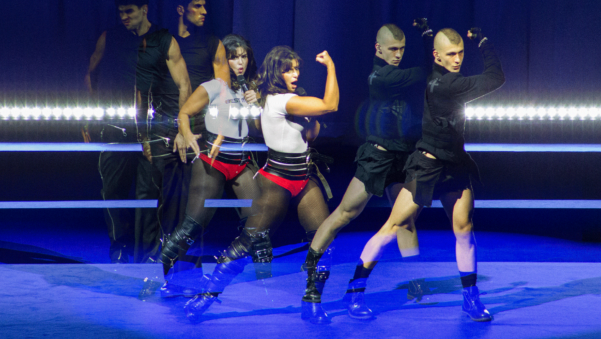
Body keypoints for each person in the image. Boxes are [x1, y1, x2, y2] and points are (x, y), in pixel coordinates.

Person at [339, 27, 505, 322]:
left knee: (464, 228)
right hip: (427, 167)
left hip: (454, 165)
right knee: (393, 226)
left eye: (461, 53)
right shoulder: (447, 85)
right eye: (451, 55)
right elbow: (496, 78)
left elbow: (436, 55)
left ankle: (471, 298)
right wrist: (483, 43)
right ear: (437, 57)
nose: (457, 60)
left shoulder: (438, 73)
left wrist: (427, 33)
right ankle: (354, 291)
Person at [183, 46, 339, 323]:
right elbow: (330, 105)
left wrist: (310, 118)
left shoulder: (290, 100)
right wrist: (330, 66)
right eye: (288, 69)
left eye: (297, 68)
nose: (295, 73)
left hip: (303, 176)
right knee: (249, 241)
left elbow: (311, 135)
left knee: (324, 241)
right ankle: (207, 296)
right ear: (276, 72)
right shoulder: (281, 101)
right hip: (277, 179)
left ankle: (312, 301)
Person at [301, 22, 431, 320]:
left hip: (402, 157)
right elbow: (425, 72)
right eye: (393, 49)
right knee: (344, 215)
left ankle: (413, 282)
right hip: (377, 158)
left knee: (406, 220)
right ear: (379, 49)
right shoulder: (382, 76)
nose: (398, 54)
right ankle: (311, 287)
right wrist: (427, 39)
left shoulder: (394, 71)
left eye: (402, 50)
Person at [157, 34, 261, 297]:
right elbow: (184, 113)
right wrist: (188, 134)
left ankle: (221, 273)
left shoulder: (247, 90)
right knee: (192, 226)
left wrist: (256, 105)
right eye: (234, 56)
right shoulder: (214, 86)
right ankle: (170, 280)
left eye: (244, 56)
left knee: (259, 223)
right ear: (223, 60)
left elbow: (259, 129)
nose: (240, 62)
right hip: (212, 162)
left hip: (241, 160)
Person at [84, 0, 181, 263]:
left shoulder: (162, 38)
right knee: (112, 191)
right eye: (120, 12)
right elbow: (90, 73)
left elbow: (180, 82)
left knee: (148, 193)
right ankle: (119, 247)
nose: (124, 17)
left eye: (129, 12)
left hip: (151, 131)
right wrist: (92, 113)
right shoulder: (110, 37)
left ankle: (147, 253)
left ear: (144, 10)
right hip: (114, 126)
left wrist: (177, 124)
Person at [149, 0, 231, 253]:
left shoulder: (211, 43)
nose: (204, 11)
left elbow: (223, 91)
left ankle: (188, 260)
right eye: (198, 6)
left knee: (195, 198)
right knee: (165, 196)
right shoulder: (163, 42)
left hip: (198, 129)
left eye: (206, 5)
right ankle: (161, 254)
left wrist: (212, 132)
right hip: (164, 128)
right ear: (180, 8)